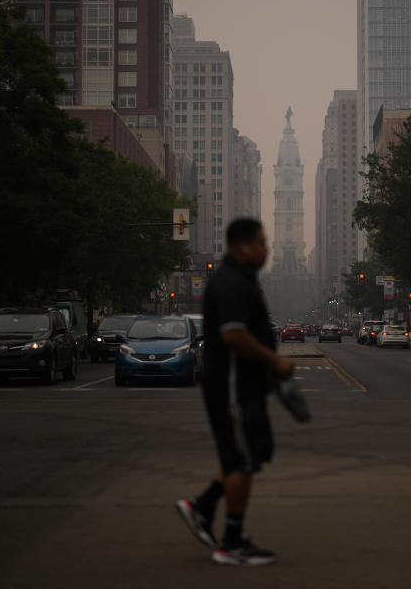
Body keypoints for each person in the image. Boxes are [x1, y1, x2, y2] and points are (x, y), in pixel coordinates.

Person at [176, 218, 295, 566]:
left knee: (246, 455)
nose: (267, 250)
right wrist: (274, 361)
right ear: (243, 246)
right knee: (242, 458)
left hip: (242, 386)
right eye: (261, 243)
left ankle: (203, 506)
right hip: (232, 387)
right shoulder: (231, 283)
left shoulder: (239, 280)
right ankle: (231, 540)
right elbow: (233, 335)